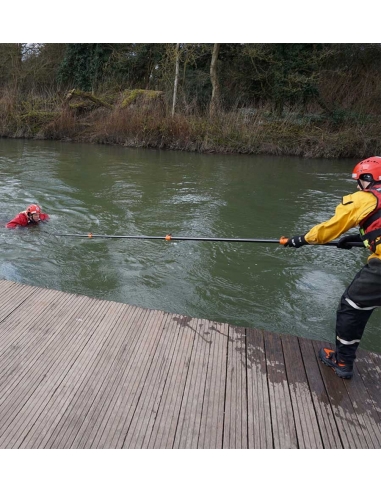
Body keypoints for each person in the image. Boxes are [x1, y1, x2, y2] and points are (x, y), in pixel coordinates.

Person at [283, 156, 381, 379]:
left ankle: (343, 361)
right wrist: (357, 239)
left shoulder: (365, 198)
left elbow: (329, 229)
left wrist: (300, 240)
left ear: (369, 178)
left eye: (360, 181)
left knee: (353, 305)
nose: (358, 186)